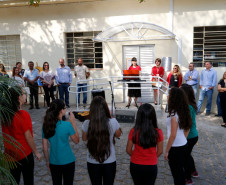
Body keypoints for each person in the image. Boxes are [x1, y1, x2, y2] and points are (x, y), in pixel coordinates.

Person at [1, 86, 42, 185]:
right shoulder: (23, 114)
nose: (25, 95)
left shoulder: (5, 114)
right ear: (19, 97)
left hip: (10, 154)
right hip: (24, 154)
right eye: (24, 93)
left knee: (14, 181)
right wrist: (36, 152)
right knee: (28, 180)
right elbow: (28, 137)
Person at [82, 96, 122, 185]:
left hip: (92, 161)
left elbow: (84, 138)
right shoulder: (113, 122)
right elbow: (118, 134)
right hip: (110, 160)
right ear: (105, 108)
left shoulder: (87, 123)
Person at [42, 99, 79, 185]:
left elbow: (44, 148)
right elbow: (76, 140)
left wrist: (47, 161)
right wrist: (73, 122)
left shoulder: (46, 126)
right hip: (68, 161)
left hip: (54, 161)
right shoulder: (67, 125)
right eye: (65, 108)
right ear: (61, 110)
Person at [126, 103, 163, 185]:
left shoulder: (134, 131)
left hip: (135, 165)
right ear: (153, 117)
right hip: (151, 166)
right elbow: (160, 151)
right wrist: (151, 157)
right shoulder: (158, 132)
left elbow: (128, 150)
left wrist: (136, 157)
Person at [164, 87, 192, 185]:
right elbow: (188, 128)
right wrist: (183, 139)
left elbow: (173, 135)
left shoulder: (174, 114)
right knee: (180, 171)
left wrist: (167, 150)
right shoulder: (183, 110)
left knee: (177, 174)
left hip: (175, 148)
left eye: (169, 95)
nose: (167, 97)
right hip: (183, 145)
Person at [180, 84, 199, 184]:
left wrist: (183, 140)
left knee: (185, 157)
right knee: (188, 154)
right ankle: (193, 171)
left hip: (190, 136)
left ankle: (187, 178)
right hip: (193, 135)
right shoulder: (190, 104)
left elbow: (187, 125)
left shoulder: (188, 107)